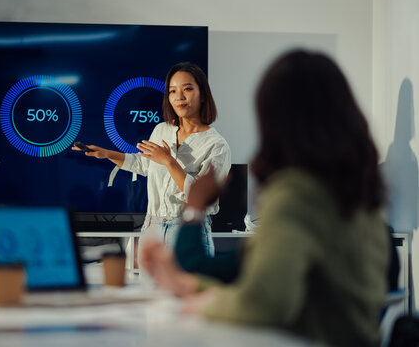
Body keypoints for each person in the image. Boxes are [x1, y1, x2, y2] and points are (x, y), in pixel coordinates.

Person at [140, 50, 389, 347]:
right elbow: (255, 271)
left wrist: (194, 210)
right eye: (173, 91)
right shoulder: (356, 194)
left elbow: (263, 303)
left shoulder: (296, 196)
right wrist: (189, 284)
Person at [73, 62, 231, 255]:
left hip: (188, 231)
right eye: (172, 91)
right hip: (152, 228)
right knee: (146, 286)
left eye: (187, 89)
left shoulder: (217, 145)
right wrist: (106, 153)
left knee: (185, 286)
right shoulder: (162, 129)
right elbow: (144, 164)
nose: (179, 97)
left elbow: (202, 198)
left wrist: (170, 162)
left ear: (203, 94)